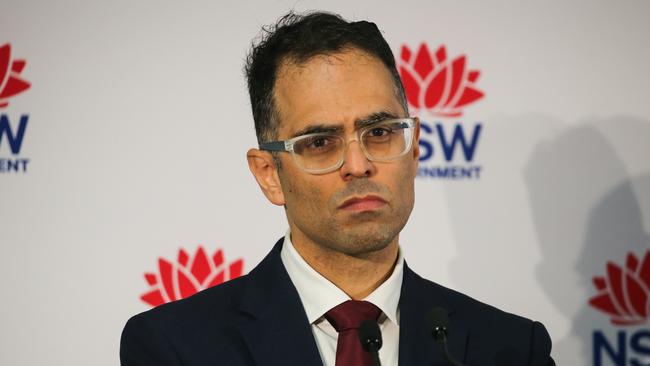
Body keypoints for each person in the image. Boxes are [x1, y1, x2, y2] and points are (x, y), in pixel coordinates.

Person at [120, 11, 555, 366]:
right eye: (320, 143)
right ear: (269, 173)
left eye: (380, 132)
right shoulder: (175, 347)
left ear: (415, 146)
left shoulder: (510, 349)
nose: (359, 165)